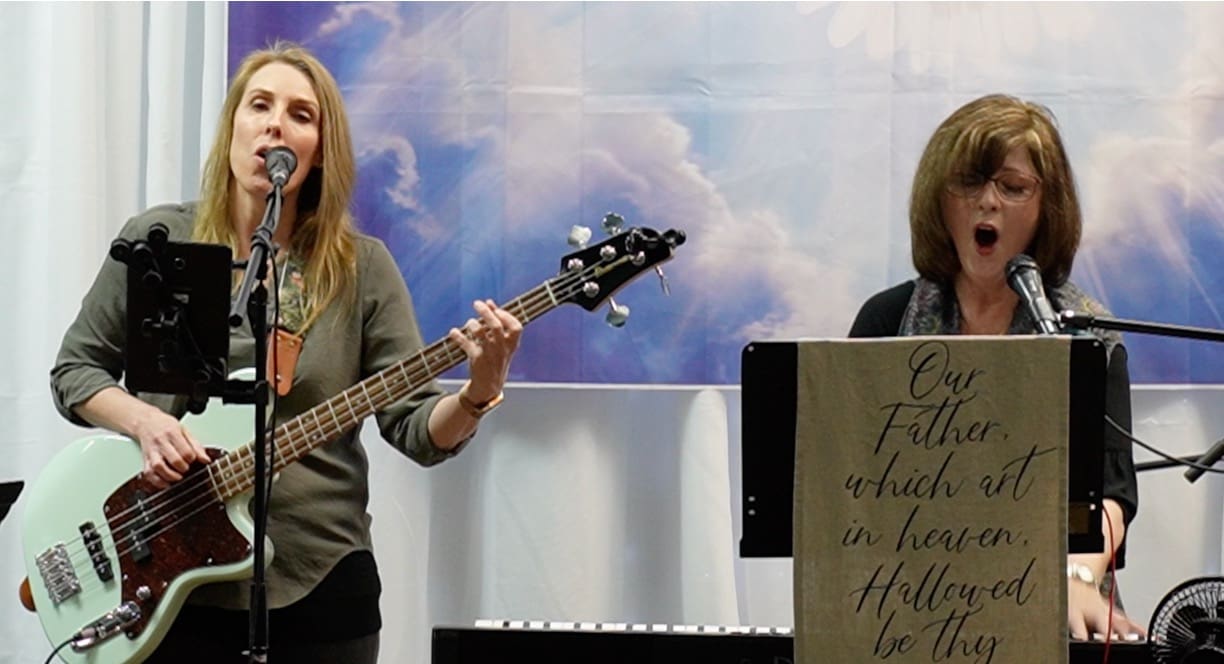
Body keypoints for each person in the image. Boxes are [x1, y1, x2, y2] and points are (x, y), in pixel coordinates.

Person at [48, 42, 521, 663]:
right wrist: (147, 422)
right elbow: (75, 371)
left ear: (320, 150)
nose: (276, 123)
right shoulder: (156, 241)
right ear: (234, 126)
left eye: (302, 114)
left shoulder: (362, 268)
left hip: (318, 583)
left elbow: (414, 429)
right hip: (161, 572)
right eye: (260, 105)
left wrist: (477, 392)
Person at [847, 94, 1143, 641]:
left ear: (1043, 209)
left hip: (1054, 601)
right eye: (969, 182)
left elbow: (1113, 493)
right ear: (939, 200)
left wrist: (1080, 575)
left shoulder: (1089, 335)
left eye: (1012, 187)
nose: (988, 202)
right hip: (908, 605)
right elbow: (848, 489)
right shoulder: (885, 321)